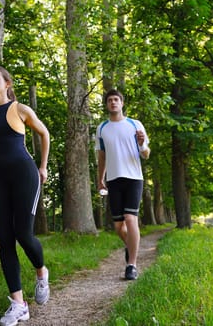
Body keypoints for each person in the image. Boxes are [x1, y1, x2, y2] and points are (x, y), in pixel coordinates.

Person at [0, 65, 50, 326]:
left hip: (25, 175)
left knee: (24, 234)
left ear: (7, 83)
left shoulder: (20, 109)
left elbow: (44, 133)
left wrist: (43, 167)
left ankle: (41, 271)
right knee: (5, 240)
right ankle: (18, 304)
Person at [95, 89, 150, 281]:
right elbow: (101, 156)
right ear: (107, 104)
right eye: (109, 100)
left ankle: (131, 265)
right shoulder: (102, 128)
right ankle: (131, 246)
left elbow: (146, 154)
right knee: (118, 226)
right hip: (113, 180)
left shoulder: (135, 124)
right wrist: (100, 178)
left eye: (116, 99)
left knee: (130, 218)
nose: (113, 103)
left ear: (122, 103)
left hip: (134, 178)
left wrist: (142, 144)